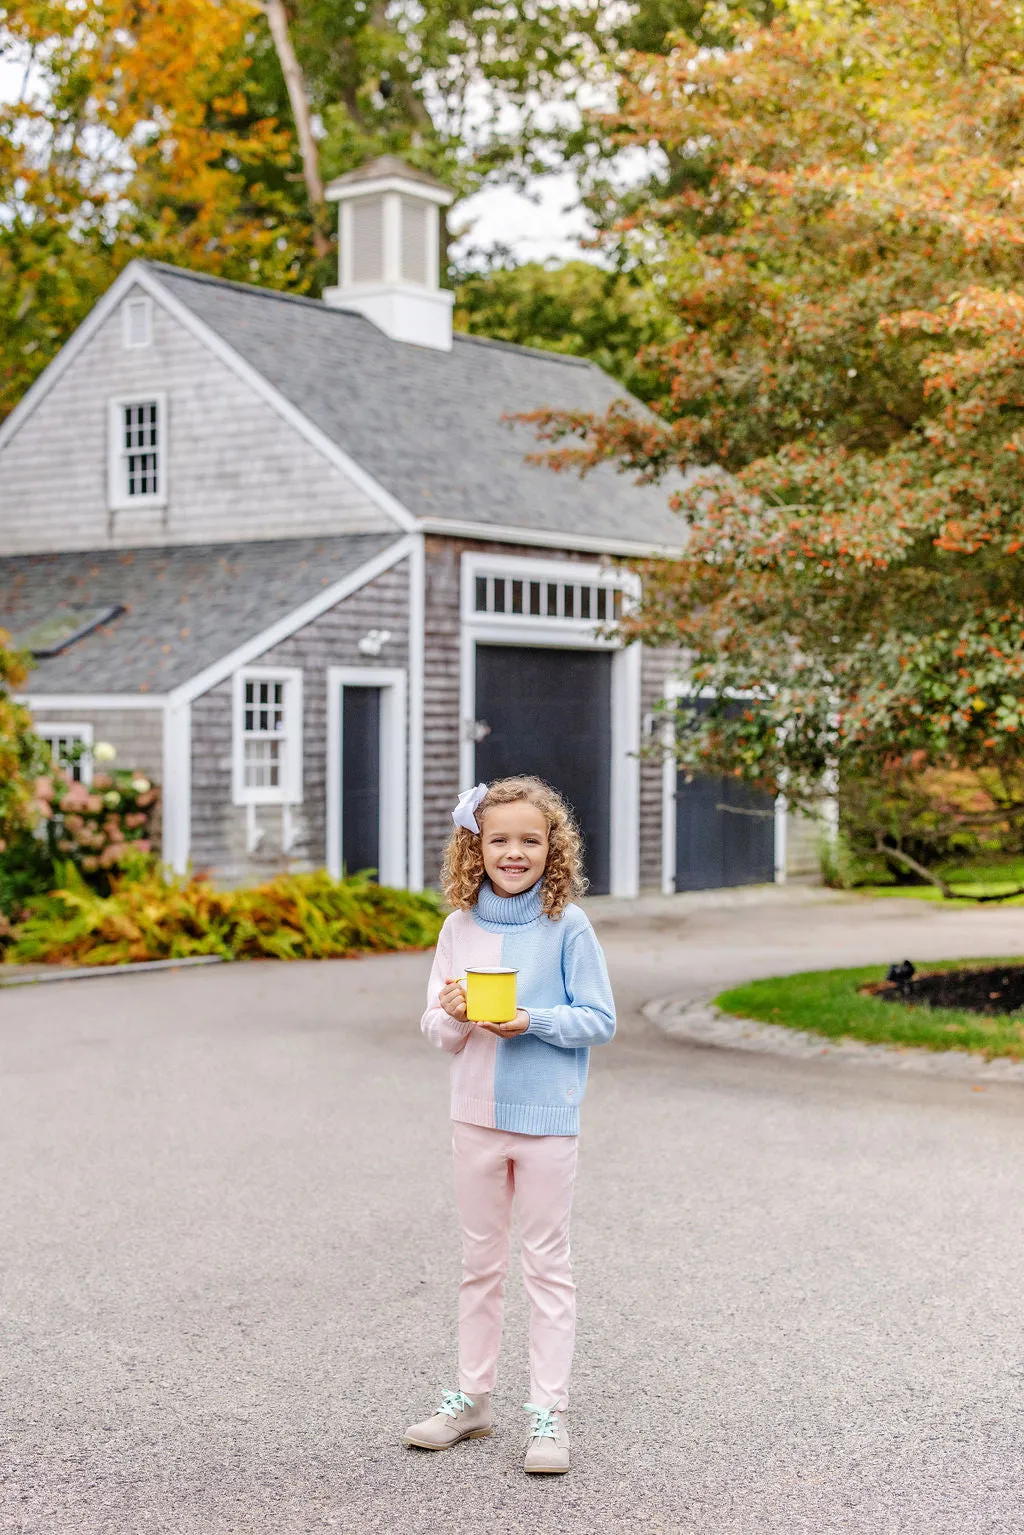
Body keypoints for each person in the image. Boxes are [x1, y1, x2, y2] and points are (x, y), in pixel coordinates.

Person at [402, 775, 616, 1476]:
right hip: (475, 1118)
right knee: (479, 1264)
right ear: (477, 846)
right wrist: (458, 1016)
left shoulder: (568, 926)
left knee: (547, 1264)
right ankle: (472, 1399)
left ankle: (548, 1414)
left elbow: (599, 1019)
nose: (514, 852)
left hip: (548, 1119)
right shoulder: (458, 927)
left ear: (552, 846)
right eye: (500, 839)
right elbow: (435, 1025)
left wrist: (533, 1020)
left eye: (530, 839)